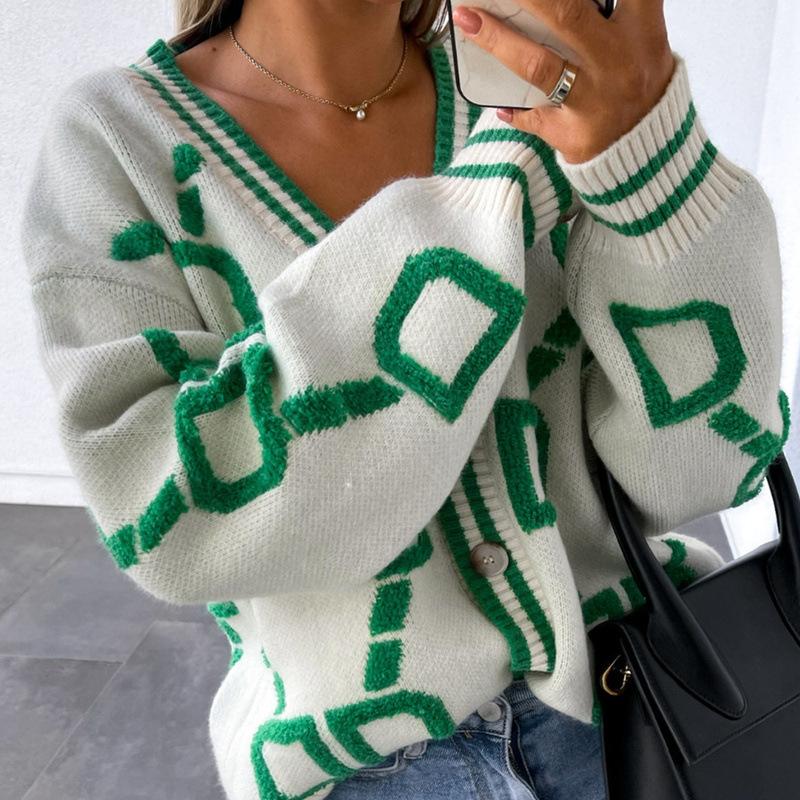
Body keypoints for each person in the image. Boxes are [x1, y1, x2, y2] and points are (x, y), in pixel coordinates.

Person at [19, 0, 790, 798]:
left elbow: (708, 466)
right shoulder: (115, 141)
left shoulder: (542, 79)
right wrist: (495, 190)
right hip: (361, 763)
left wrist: (650, 156)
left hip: (647, 698)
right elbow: (171, 515)